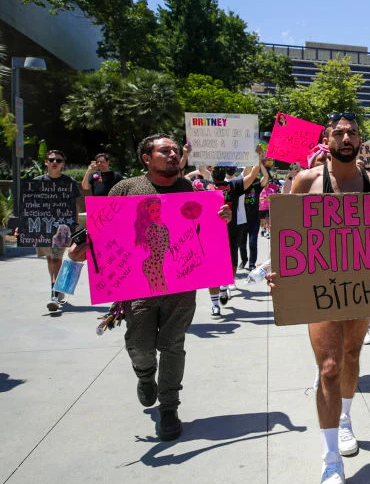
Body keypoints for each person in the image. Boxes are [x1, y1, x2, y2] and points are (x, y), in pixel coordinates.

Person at [69, 134, 231, 441]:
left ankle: (169, 408)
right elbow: (104, 227)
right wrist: (82, 244)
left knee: (173, 345)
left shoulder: (189, 190)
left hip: (182, 287)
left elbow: (206, 230)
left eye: (174, 150)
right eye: (164, 150)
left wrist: (221, 216)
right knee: (141, 347)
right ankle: (145, 376)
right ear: (147, 157)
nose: (172, 154)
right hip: (138, 287)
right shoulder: (126, 188)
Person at [266, 112, 370, 484]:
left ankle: (346, 418)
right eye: (339, 132)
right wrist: (276, 270)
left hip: (361, 285)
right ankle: (331, 458)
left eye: (352, 132)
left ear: (360, 139)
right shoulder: (307, 181)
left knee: (351, 355)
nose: (347, 137)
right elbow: (286, 231)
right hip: (319, 287)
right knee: (329, 367)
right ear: (327, 140)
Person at [206, 161, 261, 316]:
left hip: (232, 230)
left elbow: (253, 174)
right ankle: (215, 303)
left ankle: (225, 285)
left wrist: (258, 157)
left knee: (231, 262)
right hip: (210, 234)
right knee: (213, 268)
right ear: (210, 170)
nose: (218, 170)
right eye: (215, 167)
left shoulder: (234, 185)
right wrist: (185, 155)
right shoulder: (203, 185)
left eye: (220, 168)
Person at [33, 150, 82, 311]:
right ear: (46, 162)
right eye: (51, 159)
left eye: (58, 160)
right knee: (50, 259)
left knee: (56, 258)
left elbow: (74, 204)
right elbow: (28, 206)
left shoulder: (69, 182)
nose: (55, 162)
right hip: (42, 226)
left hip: (62, 227)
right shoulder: (37, 182)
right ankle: (57, 287)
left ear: (63, 163)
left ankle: (54, 293)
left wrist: (75, 223)